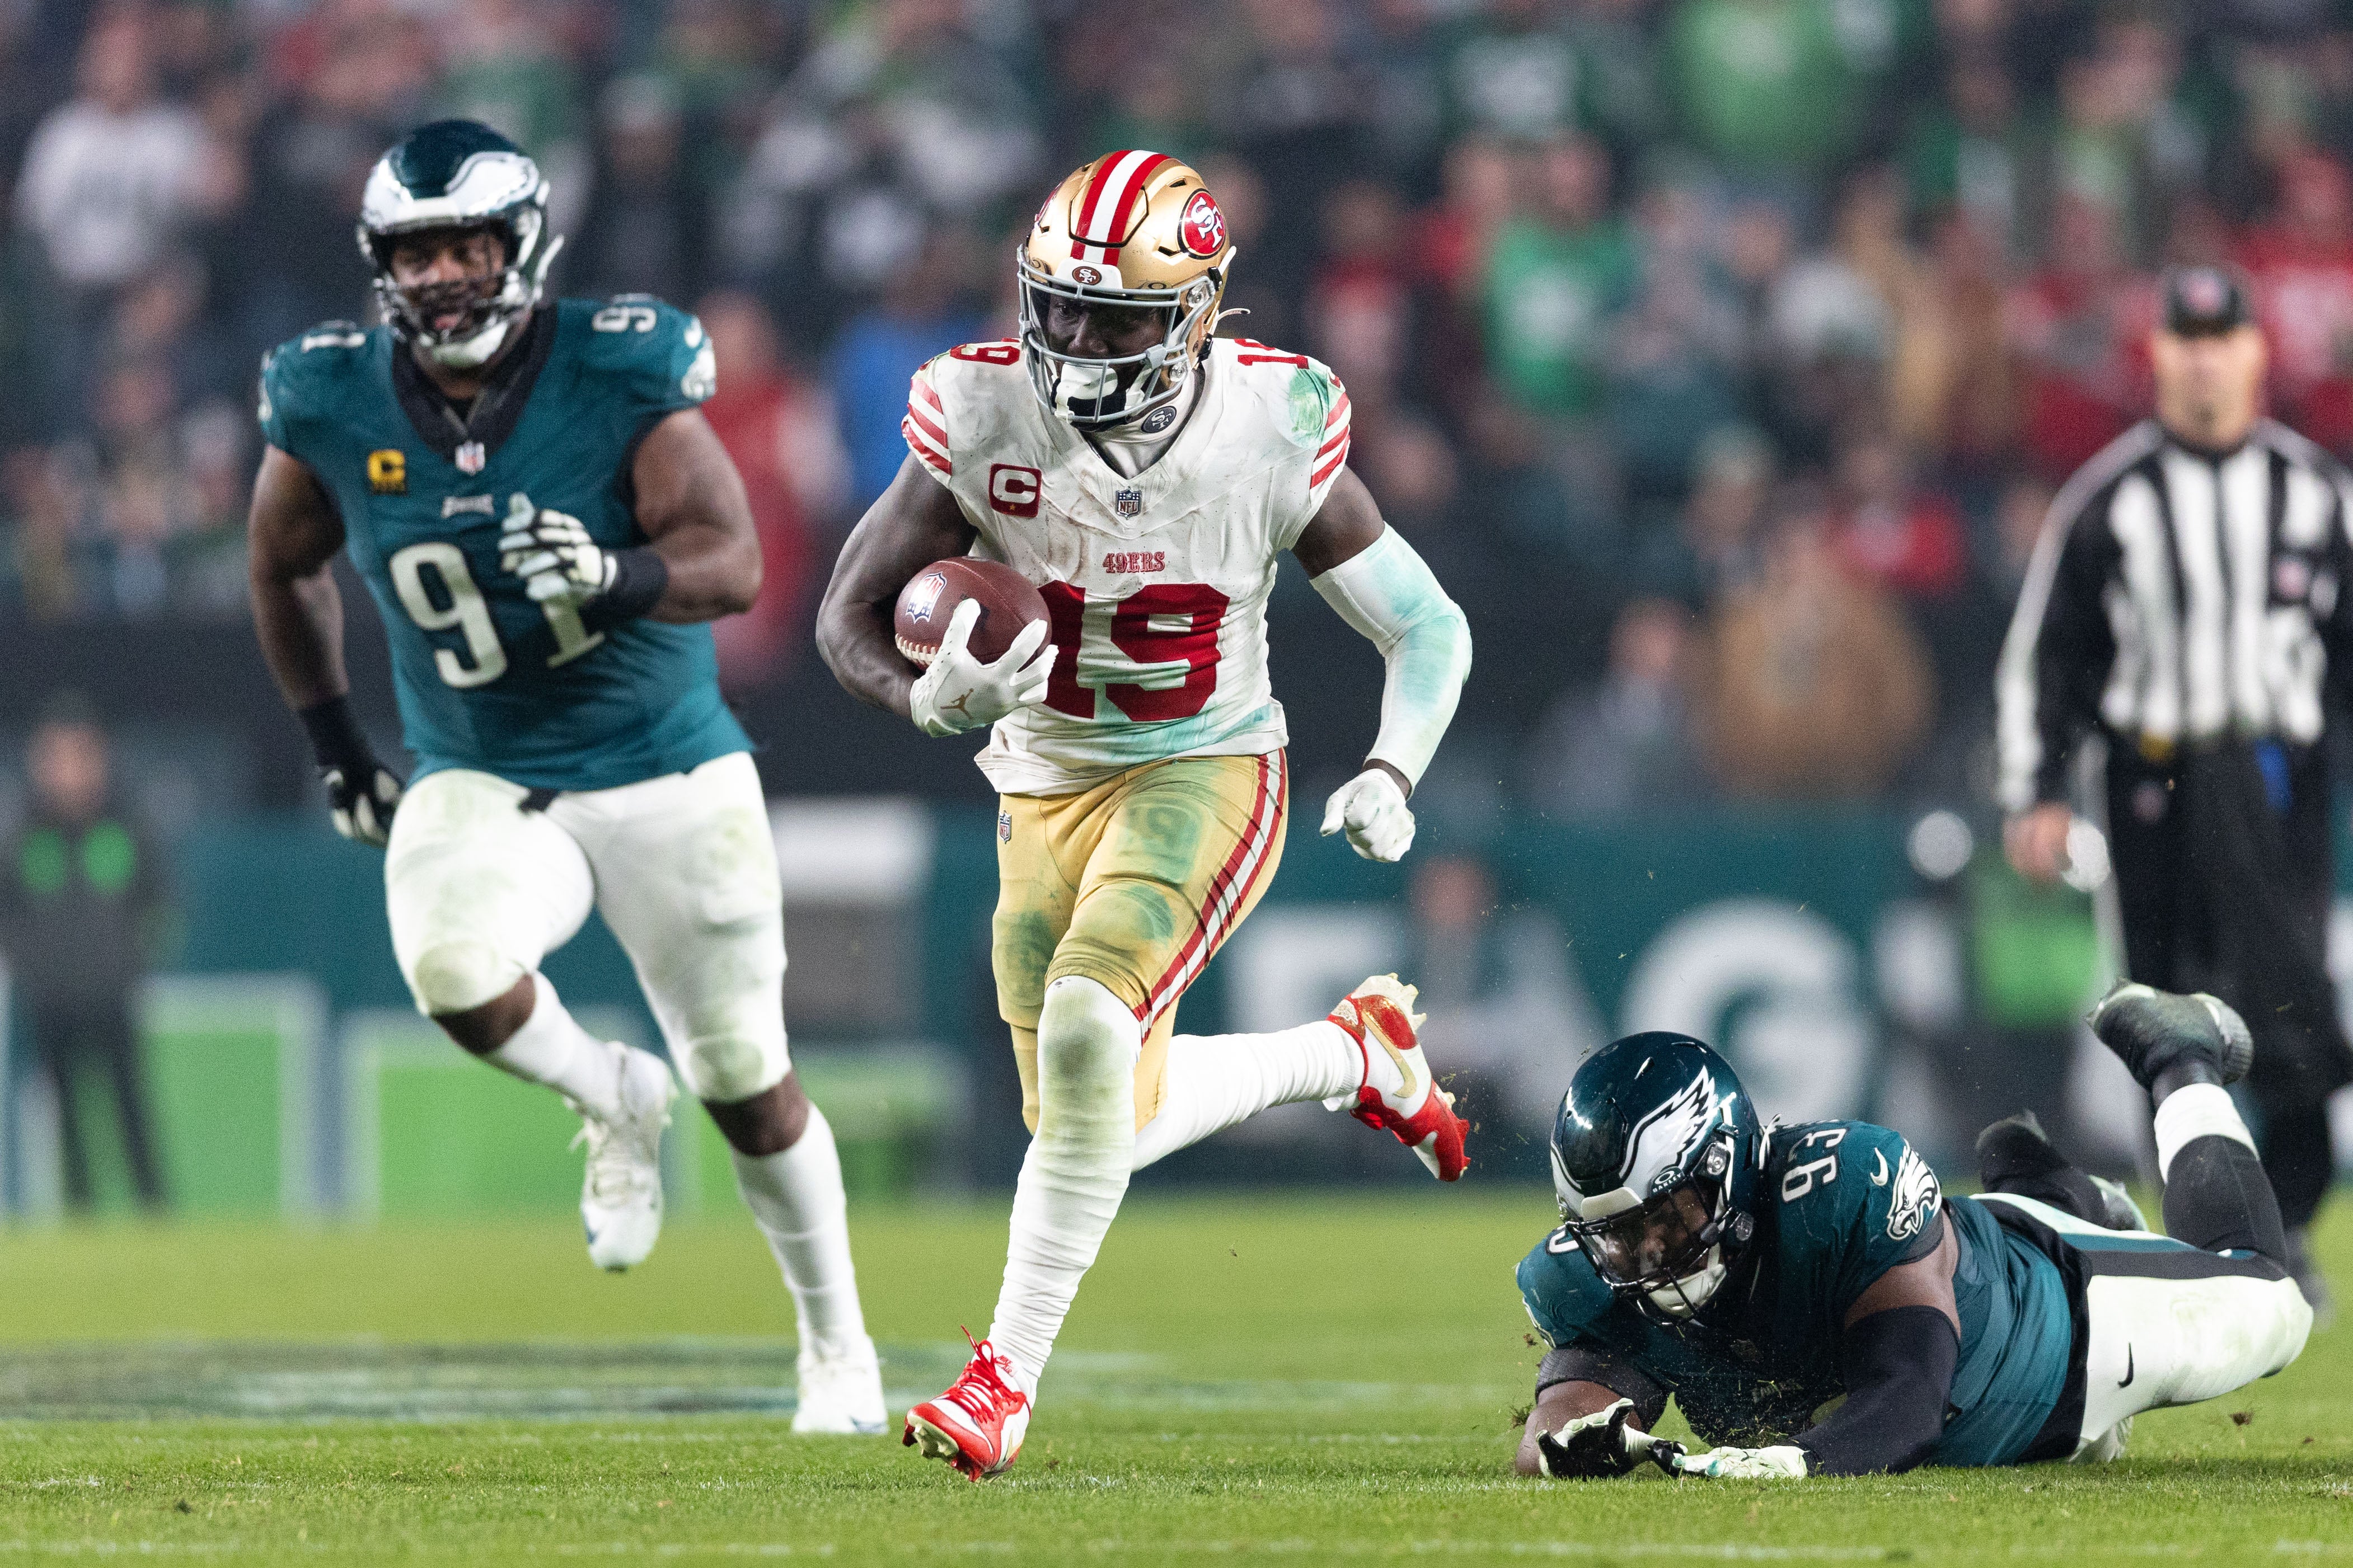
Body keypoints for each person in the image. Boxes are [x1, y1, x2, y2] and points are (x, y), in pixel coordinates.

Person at [815, 150, 1475, 1480]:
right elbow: (845, 616)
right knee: (1085, 1124)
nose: (1072, 339)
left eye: (1111, 317)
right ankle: (1352, 1057)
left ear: (1194, 313)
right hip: (1039, 784)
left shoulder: (1268, 423)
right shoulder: (980, 411)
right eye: (1057, 306)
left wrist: (1393, 768)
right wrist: (919, 698)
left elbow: (1426, 626)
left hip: (1205, 768)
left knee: (1084, 1027)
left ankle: (999, 1384)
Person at [243, 121, 881, 1434]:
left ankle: (838, 1349)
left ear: (523, 245)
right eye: (416, 253)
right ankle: (612, 1094)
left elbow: (733, 561)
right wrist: (338, 746)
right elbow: (280, 565)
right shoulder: (329, 393)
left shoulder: (614, 364)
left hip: (664, 766)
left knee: (746, 1079)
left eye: (466, 247)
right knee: (452, 971)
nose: (441, 276)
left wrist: (612, 575)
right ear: (380, 266)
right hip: (482, 767)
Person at [1513, 984, 2310, 1479]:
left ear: (1727, 1169)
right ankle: (2044, 1182)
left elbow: (1909, 1398)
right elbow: (1557, 1428)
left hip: (2058, 1328)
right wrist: (1576, 1443)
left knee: (2272, 1301)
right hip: (1982, 1293)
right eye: (1619, 1235)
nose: (1650, 1254)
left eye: (1669, 1216)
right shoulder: (1585, 1280)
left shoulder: (1840, 1189)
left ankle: (2178, 1058)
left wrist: (1796, 1461)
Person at [1996, 264, 2353, 1311]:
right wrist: (2034, 787)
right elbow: (2047, 658)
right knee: (2159, 1006)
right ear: (2157, 354)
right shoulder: (2108, 499)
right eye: (2185, 340)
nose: (2203, 360)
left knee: (2291, 998)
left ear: (2254, 352)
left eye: (2220, 338)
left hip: (2275, 773)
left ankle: (2287, 1225)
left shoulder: (2314, 492)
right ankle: (2202, 1241)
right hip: (2151, 772)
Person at [0, 696, 168, 1211]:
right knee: (66, 1116)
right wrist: (29, 966)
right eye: (57, 757)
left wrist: (130, 963)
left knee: (131, 1107)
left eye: (81, 755)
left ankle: (154, 1209)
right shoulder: (22, 833)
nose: (69, 771)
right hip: (50, 1000)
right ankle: (79, 1210)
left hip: (112, 996)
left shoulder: (127, 825)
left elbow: (157, 902)